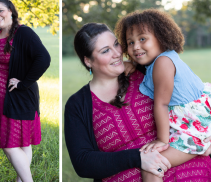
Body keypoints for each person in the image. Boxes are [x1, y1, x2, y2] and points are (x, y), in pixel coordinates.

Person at [64, 22, 211, 182]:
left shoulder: (149, 72)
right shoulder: (78, 105)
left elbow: (196, 101)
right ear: (88, 61)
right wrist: (138, 157)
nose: (117, 53)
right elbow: (83, 163)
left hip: (192, 169)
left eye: (116, 45)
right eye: (106, 51)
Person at [115, 9, 211, 181]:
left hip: (194, 124)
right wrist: (134, 64)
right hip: (198, 114)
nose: (136, 46)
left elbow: (161, 104)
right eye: (130, 42)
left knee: (152, 166)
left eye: (142, 39)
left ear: (161, 37)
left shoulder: (163, 63)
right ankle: (205, 144)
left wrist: (162, 140)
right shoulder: (163, 59)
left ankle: (202, 143)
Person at [0, 0, 51, 182]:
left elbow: (44, 58)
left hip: (17, 97)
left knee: (10, 144)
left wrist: (24, 82)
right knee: (22, 144)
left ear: (10, 10)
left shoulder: (23, 33)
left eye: (0, 10)